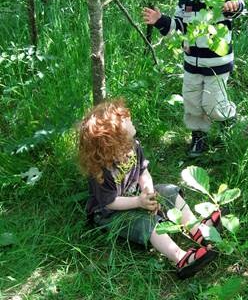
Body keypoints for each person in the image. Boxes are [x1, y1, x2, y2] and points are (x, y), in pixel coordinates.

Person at [78, 98, 221, 279]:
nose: (130, 119)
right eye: (125, 120)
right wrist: (139, 202)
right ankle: (181, 258)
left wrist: (149, 192)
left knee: (168, 192)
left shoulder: (133, 146)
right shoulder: (102, 170)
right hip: (111, 213)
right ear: (114, 138)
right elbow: (110, 201)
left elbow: (143, 172)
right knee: (148, 223)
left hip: (135, 195)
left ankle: (197, 230)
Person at [143, 0, 244, 157]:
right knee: (191, 102)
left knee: (213, 104)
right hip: (191, 63)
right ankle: (198, 136)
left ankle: (228, 118)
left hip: (217, 64)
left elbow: (237, 6)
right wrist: (160, 20)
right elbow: (180, 26)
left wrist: (233, 5)